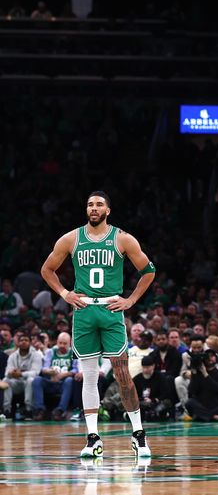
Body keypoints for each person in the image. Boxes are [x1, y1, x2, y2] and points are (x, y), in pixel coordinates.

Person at [40, 191, 155, 458]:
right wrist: (64, 294)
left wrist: (131, 300)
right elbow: (47, 269)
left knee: (122, 373)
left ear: (108, 210)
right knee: (89, 376)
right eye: (90, 204)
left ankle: (138, 433)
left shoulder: (122, 238)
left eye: (99, 204)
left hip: (111, 308)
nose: (94, 208)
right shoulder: (71, 238)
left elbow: (149, 271)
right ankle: (93, 438)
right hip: (83, 311)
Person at [32, 332, 77, 420]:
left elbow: (76, 370)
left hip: (63, 384)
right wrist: (50, 371)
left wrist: (63, 375)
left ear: (70, 343)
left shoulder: (73, 353)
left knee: (69, 380)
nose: (62, 345)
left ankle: (60, 410)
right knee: (37, 380)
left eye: (65, 343)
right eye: (60, 343)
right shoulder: (51, 352)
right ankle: (40, 409)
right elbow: (44, 368)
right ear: (57, 342)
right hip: (51, 382)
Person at [185, 349, 218, 421]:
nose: (210, 358)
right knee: (189, 403)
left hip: (217, 405)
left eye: (212, 356)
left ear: (216, 358)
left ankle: (204, 416)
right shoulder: (198, 375)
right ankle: (216, 417)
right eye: (207, 357)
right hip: (202, 404)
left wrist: (205, 374)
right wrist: (194, 373)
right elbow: (192, 391)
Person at [1, 330, 43, 418]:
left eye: (26, 340)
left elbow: (36, 372)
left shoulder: (36, 355)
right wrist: (11, 373)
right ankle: (7, 410)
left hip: (29, 383)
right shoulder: (12, 356)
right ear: (18, 343)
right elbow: (6, 373)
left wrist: (21, 374)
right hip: (16, 383)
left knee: (30, 380)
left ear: (30, 343)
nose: (23, 342)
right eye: (21, 340)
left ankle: (29, 409)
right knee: (6, 381)